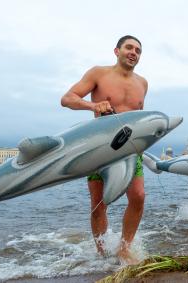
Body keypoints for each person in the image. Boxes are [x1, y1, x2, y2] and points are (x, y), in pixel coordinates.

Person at [60, 35, 147, 264]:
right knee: (99, 203)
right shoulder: (99, 73)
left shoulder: (143, 83)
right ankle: (101, 252)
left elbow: (140, 118)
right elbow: (67, 99)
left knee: (138, 197)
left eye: (138, 50)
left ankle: (124, 248)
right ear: (116, 51)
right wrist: (92, 105)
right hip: (99, 147)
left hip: (129, 149)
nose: (133, 52)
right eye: (129, 47)